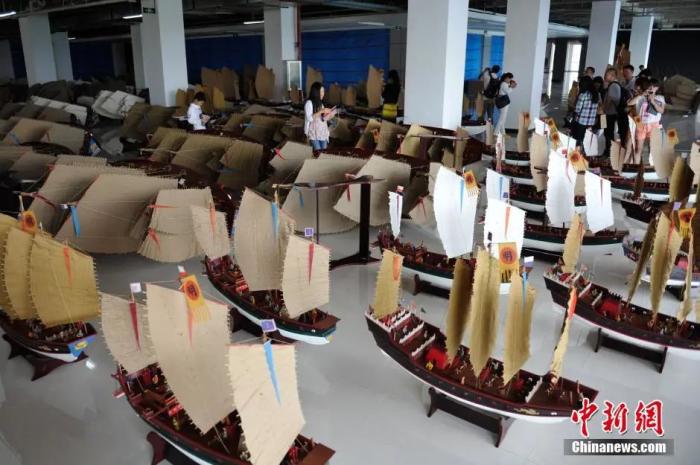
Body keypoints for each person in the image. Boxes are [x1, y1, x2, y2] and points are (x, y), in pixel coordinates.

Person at [628, 77, 665, 161]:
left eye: (654, 86)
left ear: (657, 88)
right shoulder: (641, 97)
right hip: (641, 123)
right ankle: (636, 166)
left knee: (652, 149)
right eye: (650, 86)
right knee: (638, 148)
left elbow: (662, 111)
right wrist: (641, 95)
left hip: (654, 124)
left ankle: (652, 166)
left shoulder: (660, 98)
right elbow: (629, 103)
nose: (651, 88)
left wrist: (653, 101)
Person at [602, 68, 629, 155]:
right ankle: (608, 151)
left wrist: (604, 109)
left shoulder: (613, 86)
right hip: (610, 113)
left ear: (612, 75)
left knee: (608, 133)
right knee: (607, 132)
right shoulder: (613, 85)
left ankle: (608, 151)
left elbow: (611, 100)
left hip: (610, 114)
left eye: (607, 74)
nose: (605, 76)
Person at [304, 82, 336, 151]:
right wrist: (321, 111)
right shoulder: (309, 103)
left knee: (324, 152)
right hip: (313, 133)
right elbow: (309, 118)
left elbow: (322, 119)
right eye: (321, 91)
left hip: (322, 132)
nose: (323, 94)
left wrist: (329, 116)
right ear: (315, 92)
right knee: (318, 152)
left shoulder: (321, 103)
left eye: (323, 91)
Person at [572, 76, 599, 151]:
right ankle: (585, 153)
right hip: (591, 123)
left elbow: (577, 109)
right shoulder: (596, 94)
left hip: (581, 122)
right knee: (587, 140)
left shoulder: (583, 95)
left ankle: (578, 154)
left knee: (578, 140)